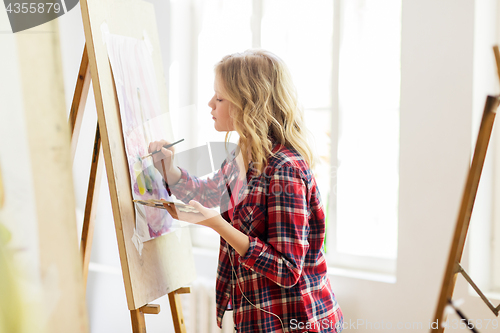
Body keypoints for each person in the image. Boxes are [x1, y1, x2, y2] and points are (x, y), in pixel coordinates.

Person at [149, 50, 343, 333]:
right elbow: (209, 194)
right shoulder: (241, 157)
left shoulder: (285, 169)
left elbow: (287, 269)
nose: (209, 104)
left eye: (219, 98)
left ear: (247, 105)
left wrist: (217, 225)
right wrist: (170, 171)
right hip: (259, 322)